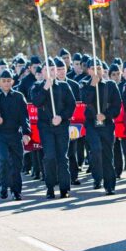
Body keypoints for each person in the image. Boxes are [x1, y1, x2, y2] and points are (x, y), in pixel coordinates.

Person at [31, 60, 77, 199]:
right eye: (47, 70)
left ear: (56, 71)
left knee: (62, 157)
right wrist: (45, 88)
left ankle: (64, 188)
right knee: (49, 156)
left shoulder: (64, 86)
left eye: (52, 69)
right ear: (42, 72)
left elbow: (71, 105)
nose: (50, 72)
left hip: (61, 126)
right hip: (45, 127)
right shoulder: (37, 86)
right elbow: (36, 102)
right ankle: (50, 187)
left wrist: (62, 117)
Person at [0, 69, 32, 201]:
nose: (6, 83)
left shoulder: (18, 96)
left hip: (15, 134)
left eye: (8, 81)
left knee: (17, 164)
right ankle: (3, 185)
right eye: (3, 81)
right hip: (1, 134)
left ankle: (16, 191)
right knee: (4, 160)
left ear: (12, 81)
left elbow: (25, 116)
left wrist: (26, 132)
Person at [80, 58, 122, 195]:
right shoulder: (84, 84)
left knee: (107, 153)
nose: (96, 71)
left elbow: (117, 106)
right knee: (96, 149)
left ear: (103, 69)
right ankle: (97, 177)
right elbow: (85, 100)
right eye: (93, 68)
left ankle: (110, 185)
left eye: (99, 68)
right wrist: (92, 85)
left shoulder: (111, 85)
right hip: (91, 124)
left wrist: (106, 115)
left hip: (107, 124)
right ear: (89, 70)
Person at [54, 58, 83, 186]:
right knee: (56, 151)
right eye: (58, 69)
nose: (61, 72)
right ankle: (57, 176)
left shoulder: (74, 85)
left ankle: (74, 176)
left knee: (72, 150)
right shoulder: (50, 86)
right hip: (55, 123)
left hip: (72, 122)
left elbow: (78, 105)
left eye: (63, 69)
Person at [111, 64, 126, 181]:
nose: (116, 76)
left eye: (117, 74)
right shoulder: (108, 86)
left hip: (125, 121)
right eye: (113, 74)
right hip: (113, 120)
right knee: (115, 147)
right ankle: (117, 170)